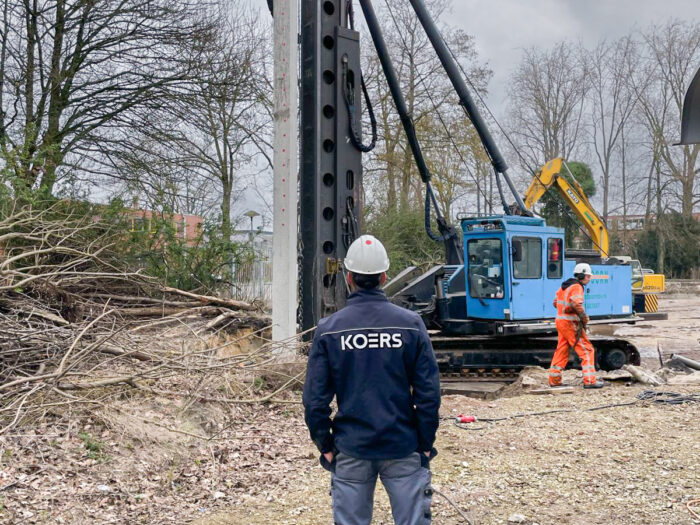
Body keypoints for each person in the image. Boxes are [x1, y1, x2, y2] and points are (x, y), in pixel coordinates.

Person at [303, 234, 441, 525]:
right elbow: (429, 393)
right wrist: (425, 442)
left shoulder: (330, 329)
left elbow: (315, 400)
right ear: (385, 276)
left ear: (349, 277)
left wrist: (325, 445)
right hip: (403, 446)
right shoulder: (411, 325)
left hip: (352, 448)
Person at [548, 262, 605, 389]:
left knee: (562, 350)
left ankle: (554, 379)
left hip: (561, 322)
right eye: (588, 276)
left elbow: (555, 302)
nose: (589, 279)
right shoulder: (577, 287)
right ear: (581, 275)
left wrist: (565, 310)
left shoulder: (565, 286)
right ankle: (590, 381)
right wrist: (584, 318)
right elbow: (576, 303)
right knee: (587, 350)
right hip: (570, 323)